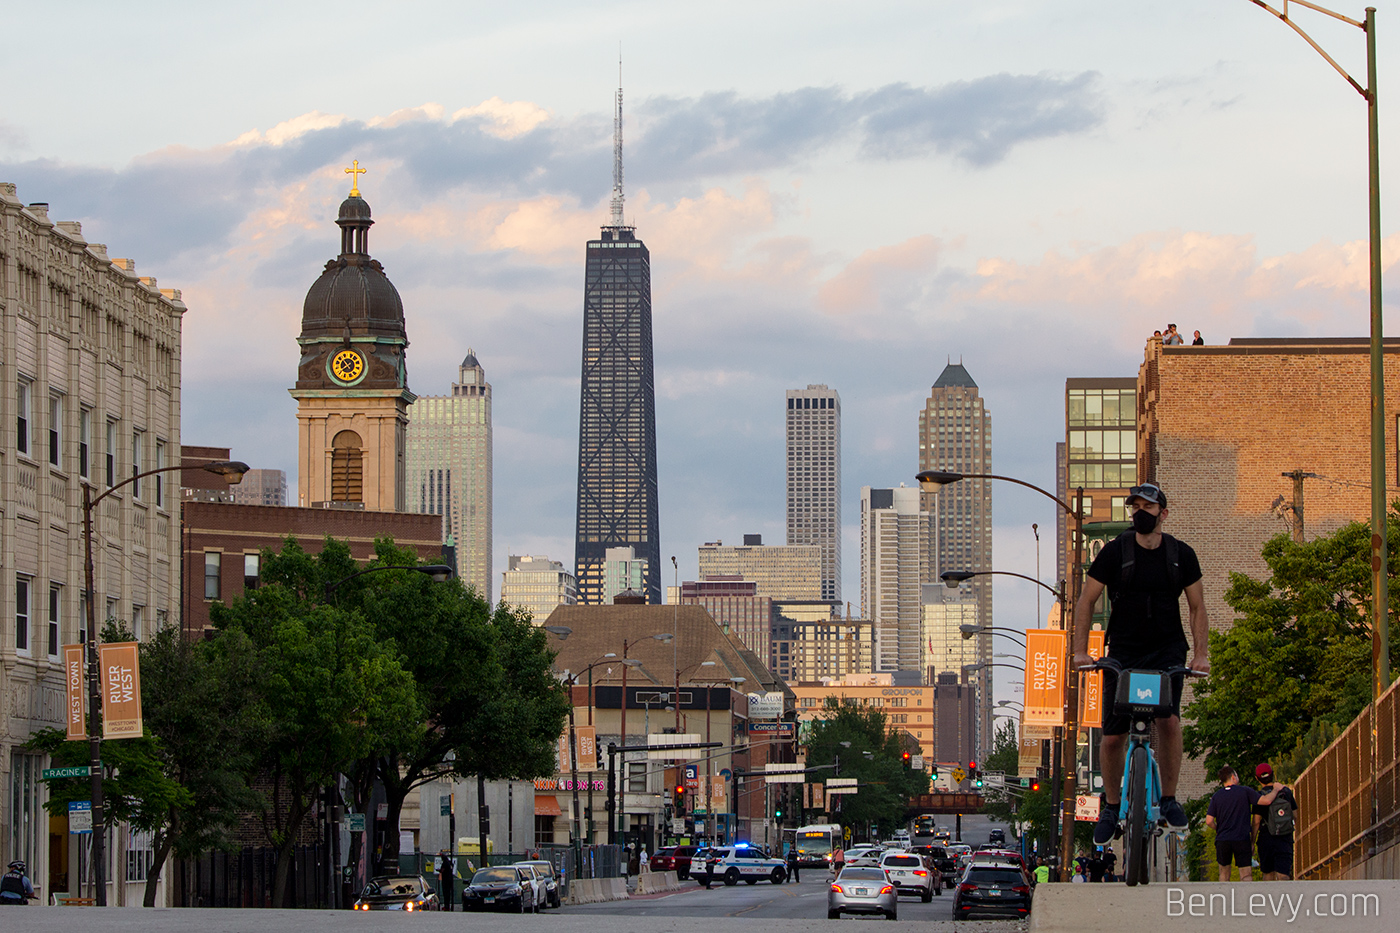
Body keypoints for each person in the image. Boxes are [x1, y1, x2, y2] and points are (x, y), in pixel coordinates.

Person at [1073, 482, 1209, 845]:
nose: (1139, 513)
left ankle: (1168, 799)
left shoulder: (1182, 555)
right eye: (1134, 507)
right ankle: (1112, 807)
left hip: (1167, 649)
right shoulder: (1115, 553)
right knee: (1114, 733)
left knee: (1169, 720)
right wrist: (1080, 651)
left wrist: (1200, 655)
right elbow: (1086, 600)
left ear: (1163, 513)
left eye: (1147, 507)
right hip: (1124, 650)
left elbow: (1197, 608)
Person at [1208, 766, 1282, 881]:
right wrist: (1276, 789)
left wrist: (1218, 829)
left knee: (1223, 873)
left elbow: (1209, 821)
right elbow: (1266, 801)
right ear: (1233, 777)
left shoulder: (1216, 796)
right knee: (1246, 875)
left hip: (1223, 839)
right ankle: (1246, 898)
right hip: (1241, 838)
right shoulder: (1244, 791)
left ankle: (1224, 897)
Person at [1253, 763, 1296, 880]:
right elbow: (1295, 815)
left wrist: (1252, 842)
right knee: (1283, 874)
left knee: (1268, 873)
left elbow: (1256, 822)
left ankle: (1268, 898)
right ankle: (1284, 897)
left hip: (1266, 837)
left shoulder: (1259, 796)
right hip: (1284, 837)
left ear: (1257, 779)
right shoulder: (1286, 792)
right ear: (1273, 774)